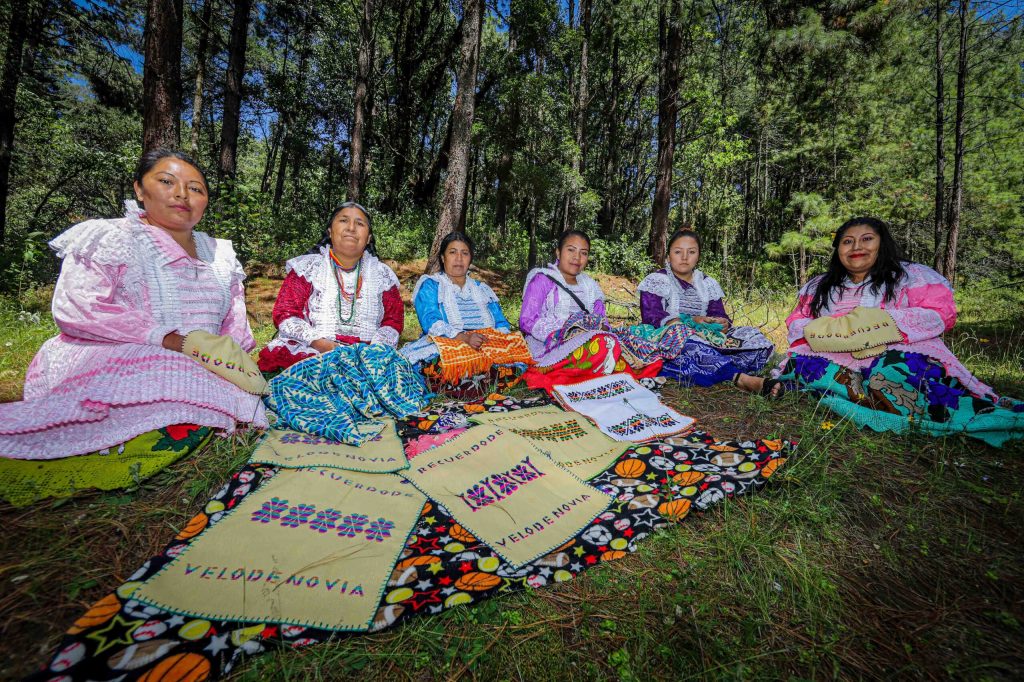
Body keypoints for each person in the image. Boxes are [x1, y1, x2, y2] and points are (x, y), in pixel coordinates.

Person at [0, 149, 267, 460]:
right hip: (115, 351)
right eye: (166, 181)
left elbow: (234, 323)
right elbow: (79, 308)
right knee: (170, 369)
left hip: (204, 359)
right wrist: (169, 340)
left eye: (196, 188)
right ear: (139, 189)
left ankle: (194, 416)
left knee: (229, 387)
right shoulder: (111, 236)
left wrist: (229, 359)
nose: (182, 194)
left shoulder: (221, 254)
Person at [736, 216, 1023, 445]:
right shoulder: (819, 285)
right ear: (838, 249)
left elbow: (940, 314)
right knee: (806, 365)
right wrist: (834, 333)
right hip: (832, 353)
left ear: (881, 243)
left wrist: (873, 326)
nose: (856, 246)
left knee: (891, 373)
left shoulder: (911, 276)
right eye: (847, 241)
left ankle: (815, 393)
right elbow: (798, 322)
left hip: (894, 351)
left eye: (866, 239)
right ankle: (808, 389)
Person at [257, 202, 404, 373]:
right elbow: (286, 313)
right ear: (330, 231)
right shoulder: (309, 268)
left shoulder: (382, 274)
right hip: (315, 349)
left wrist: (374, 351)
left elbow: (393, 321)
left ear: (368, 238)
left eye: (360, 223)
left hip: (368, 355)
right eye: (343, 220)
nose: (351, 228)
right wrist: (319, 343)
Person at [519, 230, 664, 391]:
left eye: (584, 253)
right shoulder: (542, 279)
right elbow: (527, 321)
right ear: (558, 252)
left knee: (648, 353)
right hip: (551, 344)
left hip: (591, 340)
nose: (577, 257)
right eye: (571, 250)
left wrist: (596, 328)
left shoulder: (591, 286)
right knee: (602, 346)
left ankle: (590, 374)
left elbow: (602, 321)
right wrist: (567, 331)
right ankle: (585, 375)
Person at [400, 232, 531, 398]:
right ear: (442, 258)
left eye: (465, 253)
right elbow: (431, 322)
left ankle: (469, 381)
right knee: (438, 362)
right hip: (449, 342)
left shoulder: (482, 289)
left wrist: (495, 341)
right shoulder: (432, 285)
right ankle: (477, 381)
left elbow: (500, 323)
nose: (459, 258)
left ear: (470, 259)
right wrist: (464, 338)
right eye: (452, 252)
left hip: (485, 343)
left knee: (516, 356)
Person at [637, 229, 773, 386]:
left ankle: (715, 364)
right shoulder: (656, 280)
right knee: (685, 339)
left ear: (698, 257)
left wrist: (721, 323)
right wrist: (690, 322)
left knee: (752, 335)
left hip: (707, 337)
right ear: (668, 256)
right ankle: (739, 378)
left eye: (691, 252)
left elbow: (718, 313)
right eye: (678, 252)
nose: (684, 257)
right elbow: (652, 317)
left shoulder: (707, 283)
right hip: (672, 338)